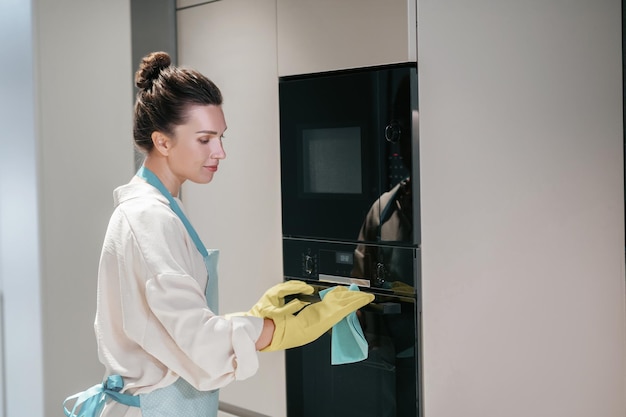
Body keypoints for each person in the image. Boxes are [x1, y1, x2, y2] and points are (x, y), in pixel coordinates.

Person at [63, 51, 374, 417]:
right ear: (163, 142)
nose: (220, 152)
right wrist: (280, 329)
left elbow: (172, 326)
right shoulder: (149, 218)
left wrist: (255, 316)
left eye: (221, 137)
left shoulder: (159, 209)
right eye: (205, 139)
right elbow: (200, 342)